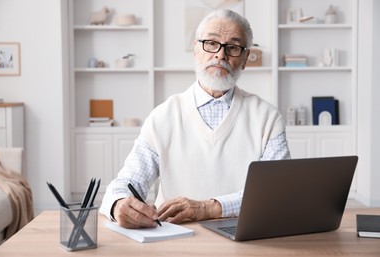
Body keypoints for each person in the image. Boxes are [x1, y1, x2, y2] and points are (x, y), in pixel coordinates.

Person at [100, 9, 290, 229]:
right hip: (173, 241)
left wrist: (208, 208)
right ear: (196, 50)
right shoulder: (162, 117)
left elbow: (275, 192)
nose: (220, 55)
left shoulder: (267, 118)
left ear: (246, 58)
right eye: (211, 43)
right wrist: (118, 205)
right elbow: (124, 183)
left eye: (233, 47)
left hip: (244, 241)